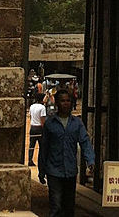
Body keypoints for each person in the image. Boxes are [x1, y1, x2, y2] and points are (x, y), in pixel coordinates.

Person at [38, 88, 95, 217]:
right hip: (54, 171)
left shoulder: (77, 124)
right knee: (56, 205)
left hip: (70, 171)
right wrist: (42, 171)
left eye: (68, 101)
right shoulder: (50, 124)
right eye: (62, 101)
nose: (65, 103)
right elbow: (44, 148)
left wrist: (90, 160)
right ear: (57, 103)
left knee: (69, 207)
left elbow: (85, 141)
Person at [27, 93, 48, 166]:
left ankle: (29, 160)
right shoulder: (42, 108)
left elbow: (30, 116)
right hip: (39, 128)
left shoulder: (32, 106)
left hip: (33, 127)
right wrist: (45, 129)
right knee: (42, 146)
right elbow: (42, 120)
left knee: (31, 145)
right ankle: (42, 161)